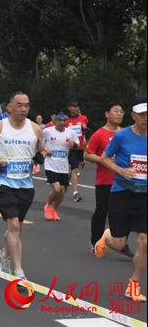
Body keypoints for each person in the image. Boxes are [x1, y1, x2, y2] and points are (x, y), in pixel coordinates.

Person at [0, 92, 47, 283]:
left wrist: (40, 156)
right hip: (4, 183)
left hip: (25, 184)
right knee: (13, 225)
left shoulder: (35, 129)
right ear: (9, 107)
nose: (23, 109)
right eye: (19, 105)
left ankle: (4, 255)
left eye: (26, 105)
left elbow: (42, 148)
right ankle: (18, 272)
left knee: (16, 227)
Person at [94, 99, 147, 302]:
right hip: (122, 193)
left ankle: (133, 285)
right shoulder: (121, 136)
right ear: (133, 116)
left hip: (144, 196)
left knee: (144, 241)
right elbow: (105, 158)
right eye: (142, 115)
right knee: (119, 243)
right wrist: (121, 170)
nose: (146, 119)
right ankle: (107, 237)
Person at [84, 101, 134, 258]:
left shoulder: (126, 133)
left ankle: (121, 243)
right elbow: (87, 154)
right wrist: (104, 159)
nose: (120, 114)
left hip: (123, 180)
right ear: (107, 114)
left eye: (121, 112)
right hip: (105, 181)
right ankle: (95, 241)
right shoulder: (99, 134)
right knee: (102, 212)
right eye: (116, 111)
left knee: (126, 214)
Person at [42, 110, 79, 221]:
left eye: (64, 120)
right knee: (57, 189)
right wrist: (45, 150)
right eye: (60, 120)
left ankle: (54, 209)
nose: (62, 123)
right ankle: (48, 205)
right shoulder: (47, 131)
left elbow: (78, 145)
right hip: (50, 164)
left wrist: (74, 144)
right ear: (55, 120)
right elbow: (38, 143)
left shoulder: (70, 133)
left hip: (63, 165)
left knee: (62, 190)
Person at [67, 101, 90, 201]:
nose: (76, 108)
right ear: (70, 108)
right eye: (74, 107)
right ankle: (75, 193)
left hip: (80, 148)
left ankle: (65, 179)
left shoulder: (83, 118)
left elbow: (85, 126)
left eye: (77, 106)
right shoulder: (66, 120)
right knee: (75, 169)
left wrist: (85, 128)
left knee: (77, 167)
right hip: (71, 148)